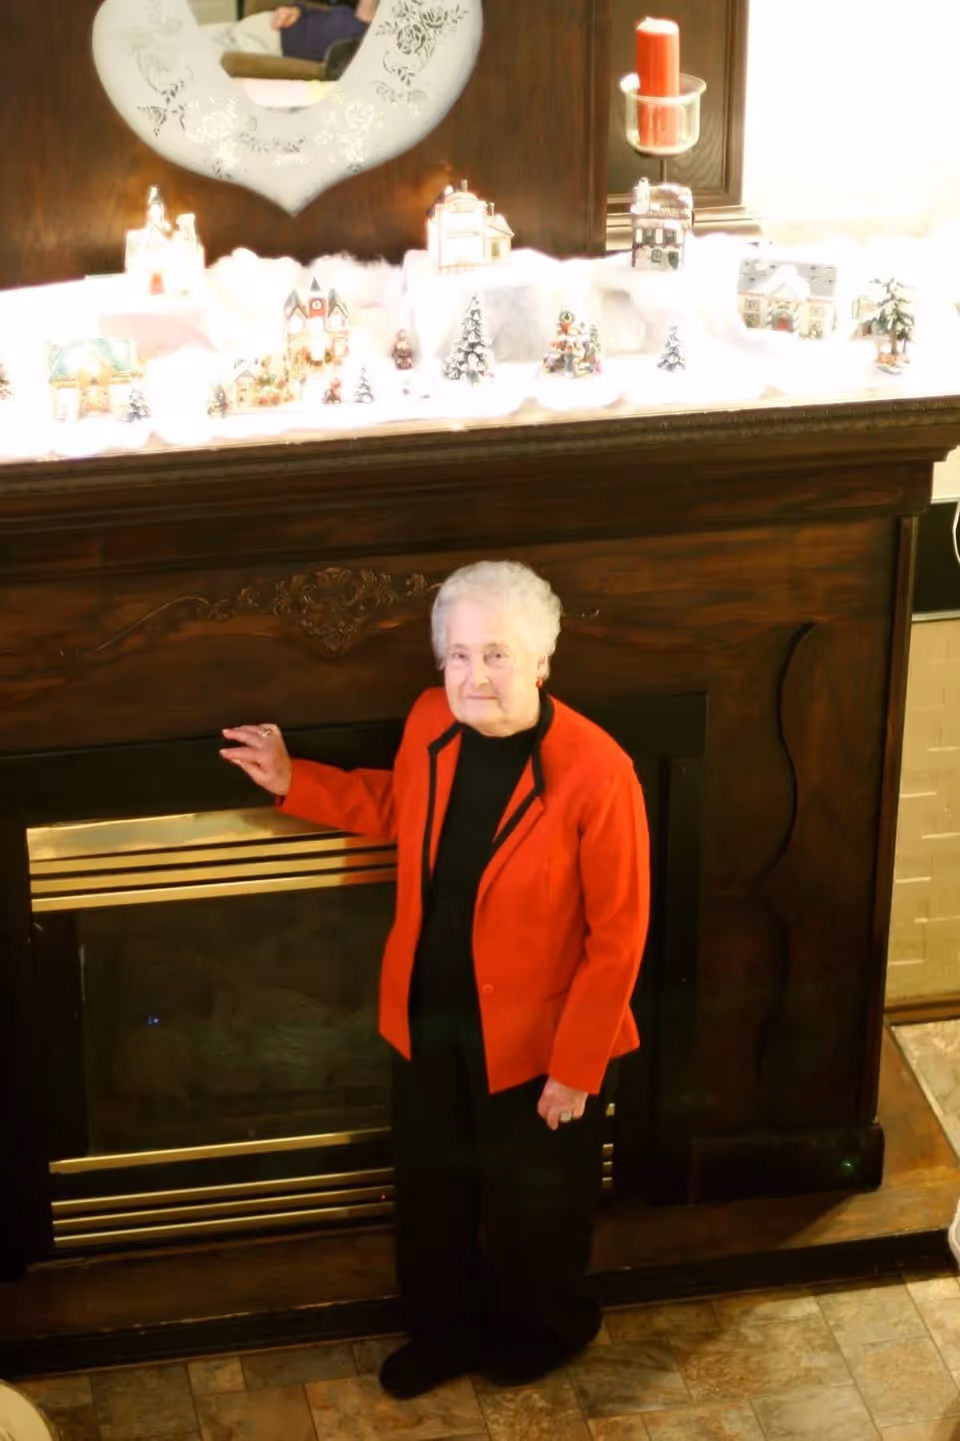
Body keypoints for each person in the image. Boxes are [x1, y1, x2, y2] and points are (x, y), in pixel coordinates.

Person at [221, 560, 650, 1399]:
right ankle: (443, 1328)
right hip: (427, 1013)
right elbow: (398, 806)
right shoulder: (429, 722)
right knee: (432, 1192)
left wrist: (576, 1068)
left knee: (535, 1208)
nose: (473, 675)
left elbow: (620, 936)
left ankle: (541, 1330)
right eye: (457, 655)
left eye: (496, 654)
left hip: (540, 1042)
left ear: (541, 661)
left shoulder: (600, 773)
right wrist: (292, 778)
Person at [205, 1, 377, 68]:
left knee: (202, 57)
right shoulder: (345, 14)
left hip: (267, 46)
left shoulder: (365, 43)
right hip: (267, 26)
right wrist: (296, 9)